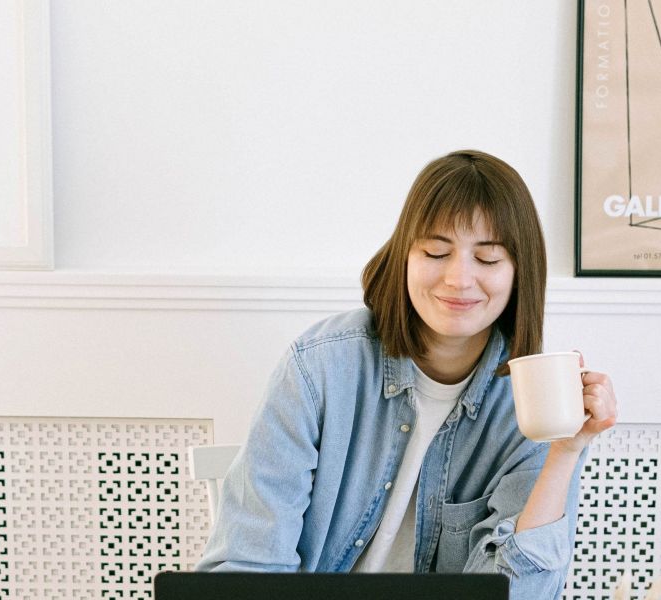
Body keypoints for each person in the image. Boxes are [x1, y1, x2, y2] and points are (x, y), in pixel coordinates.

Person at [197, 149, 617, 599]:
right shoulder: (320, 366)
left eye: (489, 259)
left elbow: (519, 594)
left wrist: (565, 453)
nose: (459, 278)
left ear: (519, 274)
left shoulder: (533, 400)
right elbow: (250, 564)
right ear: (405, 256)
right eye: (437, 251)